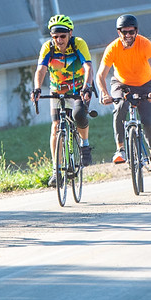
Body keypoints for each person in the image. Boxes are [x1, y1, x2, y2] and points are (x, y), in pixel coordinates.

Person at [96, 14, 151, 178]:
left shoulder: (144, 43)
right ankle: (120, 149)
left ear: (136, 31)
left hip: (145, 85)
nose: (127, 35)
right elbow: (100, 75)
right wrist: (105, 94)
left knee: (148, 122)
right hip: (121, 84)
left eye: (131, 32)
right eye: (123, 32)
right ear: (118, 32)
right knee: (120, 106)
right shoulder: (113, 48)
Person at [30, 14, 94, 184]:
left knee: (79, 116)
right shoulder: (48, 47)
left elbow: (88, 66)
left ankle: (85, 145)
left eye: (62, 36)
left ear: (70, 33)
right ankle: (56, 170)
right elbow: (41, 69)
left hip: (79, 89)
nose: (59, 40)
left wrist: (87, 86)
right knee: (56, 127)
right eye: (55, 36)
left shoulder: (78, 44)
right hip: (57, 91)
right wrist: (37, 88)